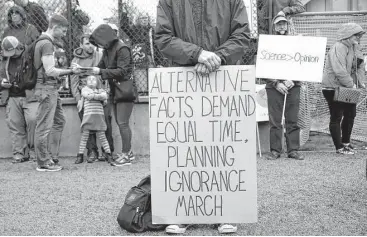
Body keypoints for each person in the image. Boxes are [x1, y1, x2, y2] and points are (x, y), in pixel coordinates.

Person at [155, 0, 250, 234]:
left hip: (223, 75)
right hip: (183, 78)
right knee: (185, 148)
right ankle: (182, 211)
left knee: (222, 145)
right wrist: (197, 54)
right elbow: (162, 38)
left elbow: (243, 35)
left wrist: (216, 57)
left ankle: (225, 210)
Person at [33, 14, 81, 172]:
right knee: (44, 126)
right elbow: (50, 71)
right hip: (47, 88)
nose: (65, 34)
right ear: (55, 27)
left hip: (49, 89)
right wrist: (70, 71)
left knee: (59, 121)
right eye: (64, 31)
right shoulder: (46, 44)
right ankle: (43, 162)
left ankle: (51, 157)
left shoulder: (44, 41)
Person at [89, 24, 135, 167]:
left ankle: (126, 154)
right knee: (121, 123)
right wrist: (85, 70)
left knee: (122, 123)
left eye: (99, 41)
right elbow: (101, 67)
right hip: (116, 90)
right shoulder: (108, 49)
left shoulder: (122, 48)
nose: (99, 45)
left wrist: (100, 72)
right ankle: (129, 152)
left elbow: (122, 71)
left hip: (124, 90)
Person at [322, 23, 366, 155]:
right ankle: (339, 147)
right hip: (333, 87)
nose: (358, 37)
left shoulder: (353, 47)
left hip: (347, 87)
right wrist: (351, 83)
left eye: (360, 35)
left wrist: (360, 82)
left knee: (350, 114)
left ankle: (346, 143)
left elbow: (359, 65)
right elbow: (338, 69)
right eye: (356, 35)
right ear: (347, 35)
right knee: (336, 116)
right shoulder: (338, 47)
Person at [265, 15, 303, 161]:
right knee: (275, 120)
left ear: (287, 26)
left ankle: (293, 150)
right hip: (274, 86)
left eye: (284, 24)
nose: (281, 27)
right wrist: (276, 83)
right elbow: (263, 65)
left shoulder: (296, 43)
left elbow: (303, 62)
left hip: (293, 85)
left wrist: (293, 80)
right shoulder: (268, 44)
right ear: (274, 27)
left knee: (292, 119)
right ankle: (275, 150)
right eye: (278, 24)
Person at [71, 34, 114, 163]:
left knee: (105, 122)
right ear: (81, 45)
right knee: (87, 125)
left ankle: (108, 151)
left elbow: (106, 74)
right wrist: (79, 99)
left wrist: (106, 93)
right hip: (86, 97)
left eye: (92, 43)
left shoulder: (101, 56)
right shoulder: (76, 61)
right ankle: (92, 151)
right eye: (87, 43)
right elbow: (73, 82)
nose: (90, 46)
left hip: (101, 95)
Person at [0, 36, 38, 163]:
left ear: (18, 47)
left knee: (33, 121)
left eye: (12, 51)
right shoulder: (5, 59)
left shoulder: (29, 55)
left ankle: (35, 152)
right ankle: (19, 153)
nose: (10, 55)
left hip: (29, 94)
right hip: (12, 95)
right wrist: (2, 83)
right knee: (14, 124)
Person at [76, 75, 112, 164]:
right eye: (89, 79)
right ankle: (80, 155)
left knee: (102, 137)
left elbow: (104, 96)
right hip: (88, 118)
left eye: (94, 79)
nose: (91, 81)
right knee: (84, 138)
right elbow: (86, 96)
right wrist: (98, 96)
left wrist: (93, 96)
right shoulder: (84, 89)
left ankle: (108, 154)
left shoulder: (101, 90)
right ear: (86, 82)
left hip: (99, 118)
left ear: (97, 82)